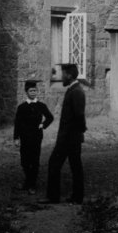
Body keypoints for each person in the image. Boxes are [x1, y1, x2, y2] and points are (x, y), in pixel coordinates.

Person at [45, 63, 86, 204]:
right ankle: (76, 197)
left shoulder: (76, 91)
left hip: (69, 138)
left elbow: (79, 115)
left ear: (69, 75)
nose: (61, 77)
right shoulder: (74, 89)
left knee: (55, 164)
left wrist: (80, 131)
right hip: (71, 137)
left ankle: (54, 197)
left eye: (63, 74)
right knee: (74, 166)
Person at [13, 80, 54, 194]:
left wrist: (43, 125)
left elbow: (50, 117)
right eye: (31, 91)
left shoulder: (41, 106)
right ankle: (28, 181)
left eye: (35, 90)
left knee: (34, 161)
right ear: (26, 92)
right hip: (25, 138)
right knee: (24, 161)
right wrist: (16, 138)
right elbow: (17, 123)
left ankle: (32, 185)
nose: (33, 93)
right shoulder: (21, 107)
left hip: (36, 137)